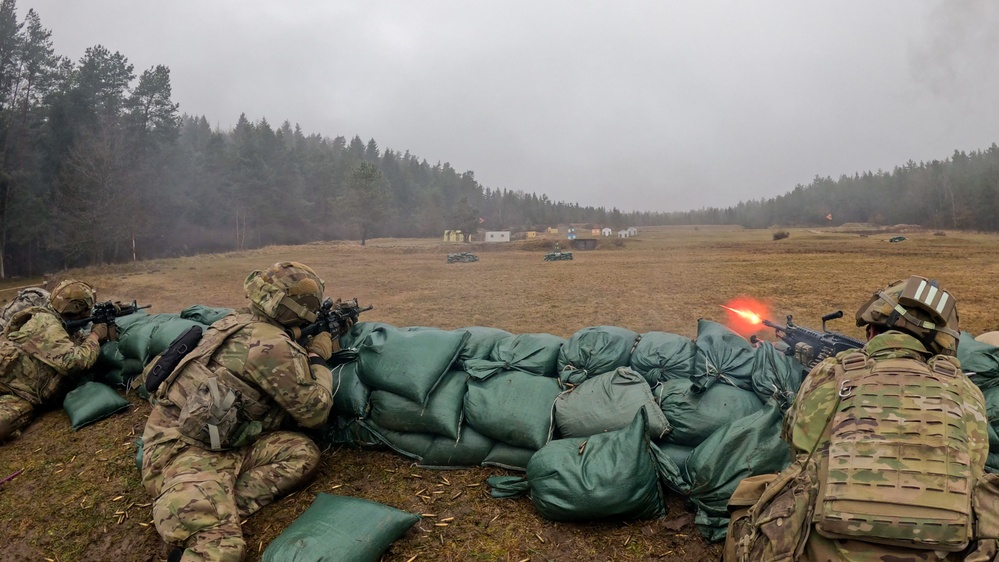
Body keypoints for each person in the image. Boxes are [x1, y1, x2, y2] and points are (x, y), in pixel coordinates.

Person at [725, 275, 998, 561]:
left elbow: (798, 447)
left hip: (826, 545)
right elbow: (973, 464)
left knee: (754, 493)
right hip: (944, 548)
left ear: (870, 331)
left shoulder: (830, 374)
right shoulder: (966, 392)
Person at [141, 262, 347, 562]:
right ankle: (191, 512)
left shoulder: (234, 321)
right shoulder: (271, 345)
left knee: (302, 454)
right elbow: (315, 413)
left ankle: (214, 504)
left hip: (217, 438)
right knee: (221, 552)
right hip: (183, 453)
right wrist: (317, 358)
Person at [0, 280, 110, 442]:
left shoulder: (64, 325)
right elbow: (76, 363)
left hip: (23, 394)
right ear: (77, 308)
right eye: (87, 308)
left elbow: (74, 347)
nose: (89, 312)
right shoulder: (45, 323)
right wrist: (95, 336)